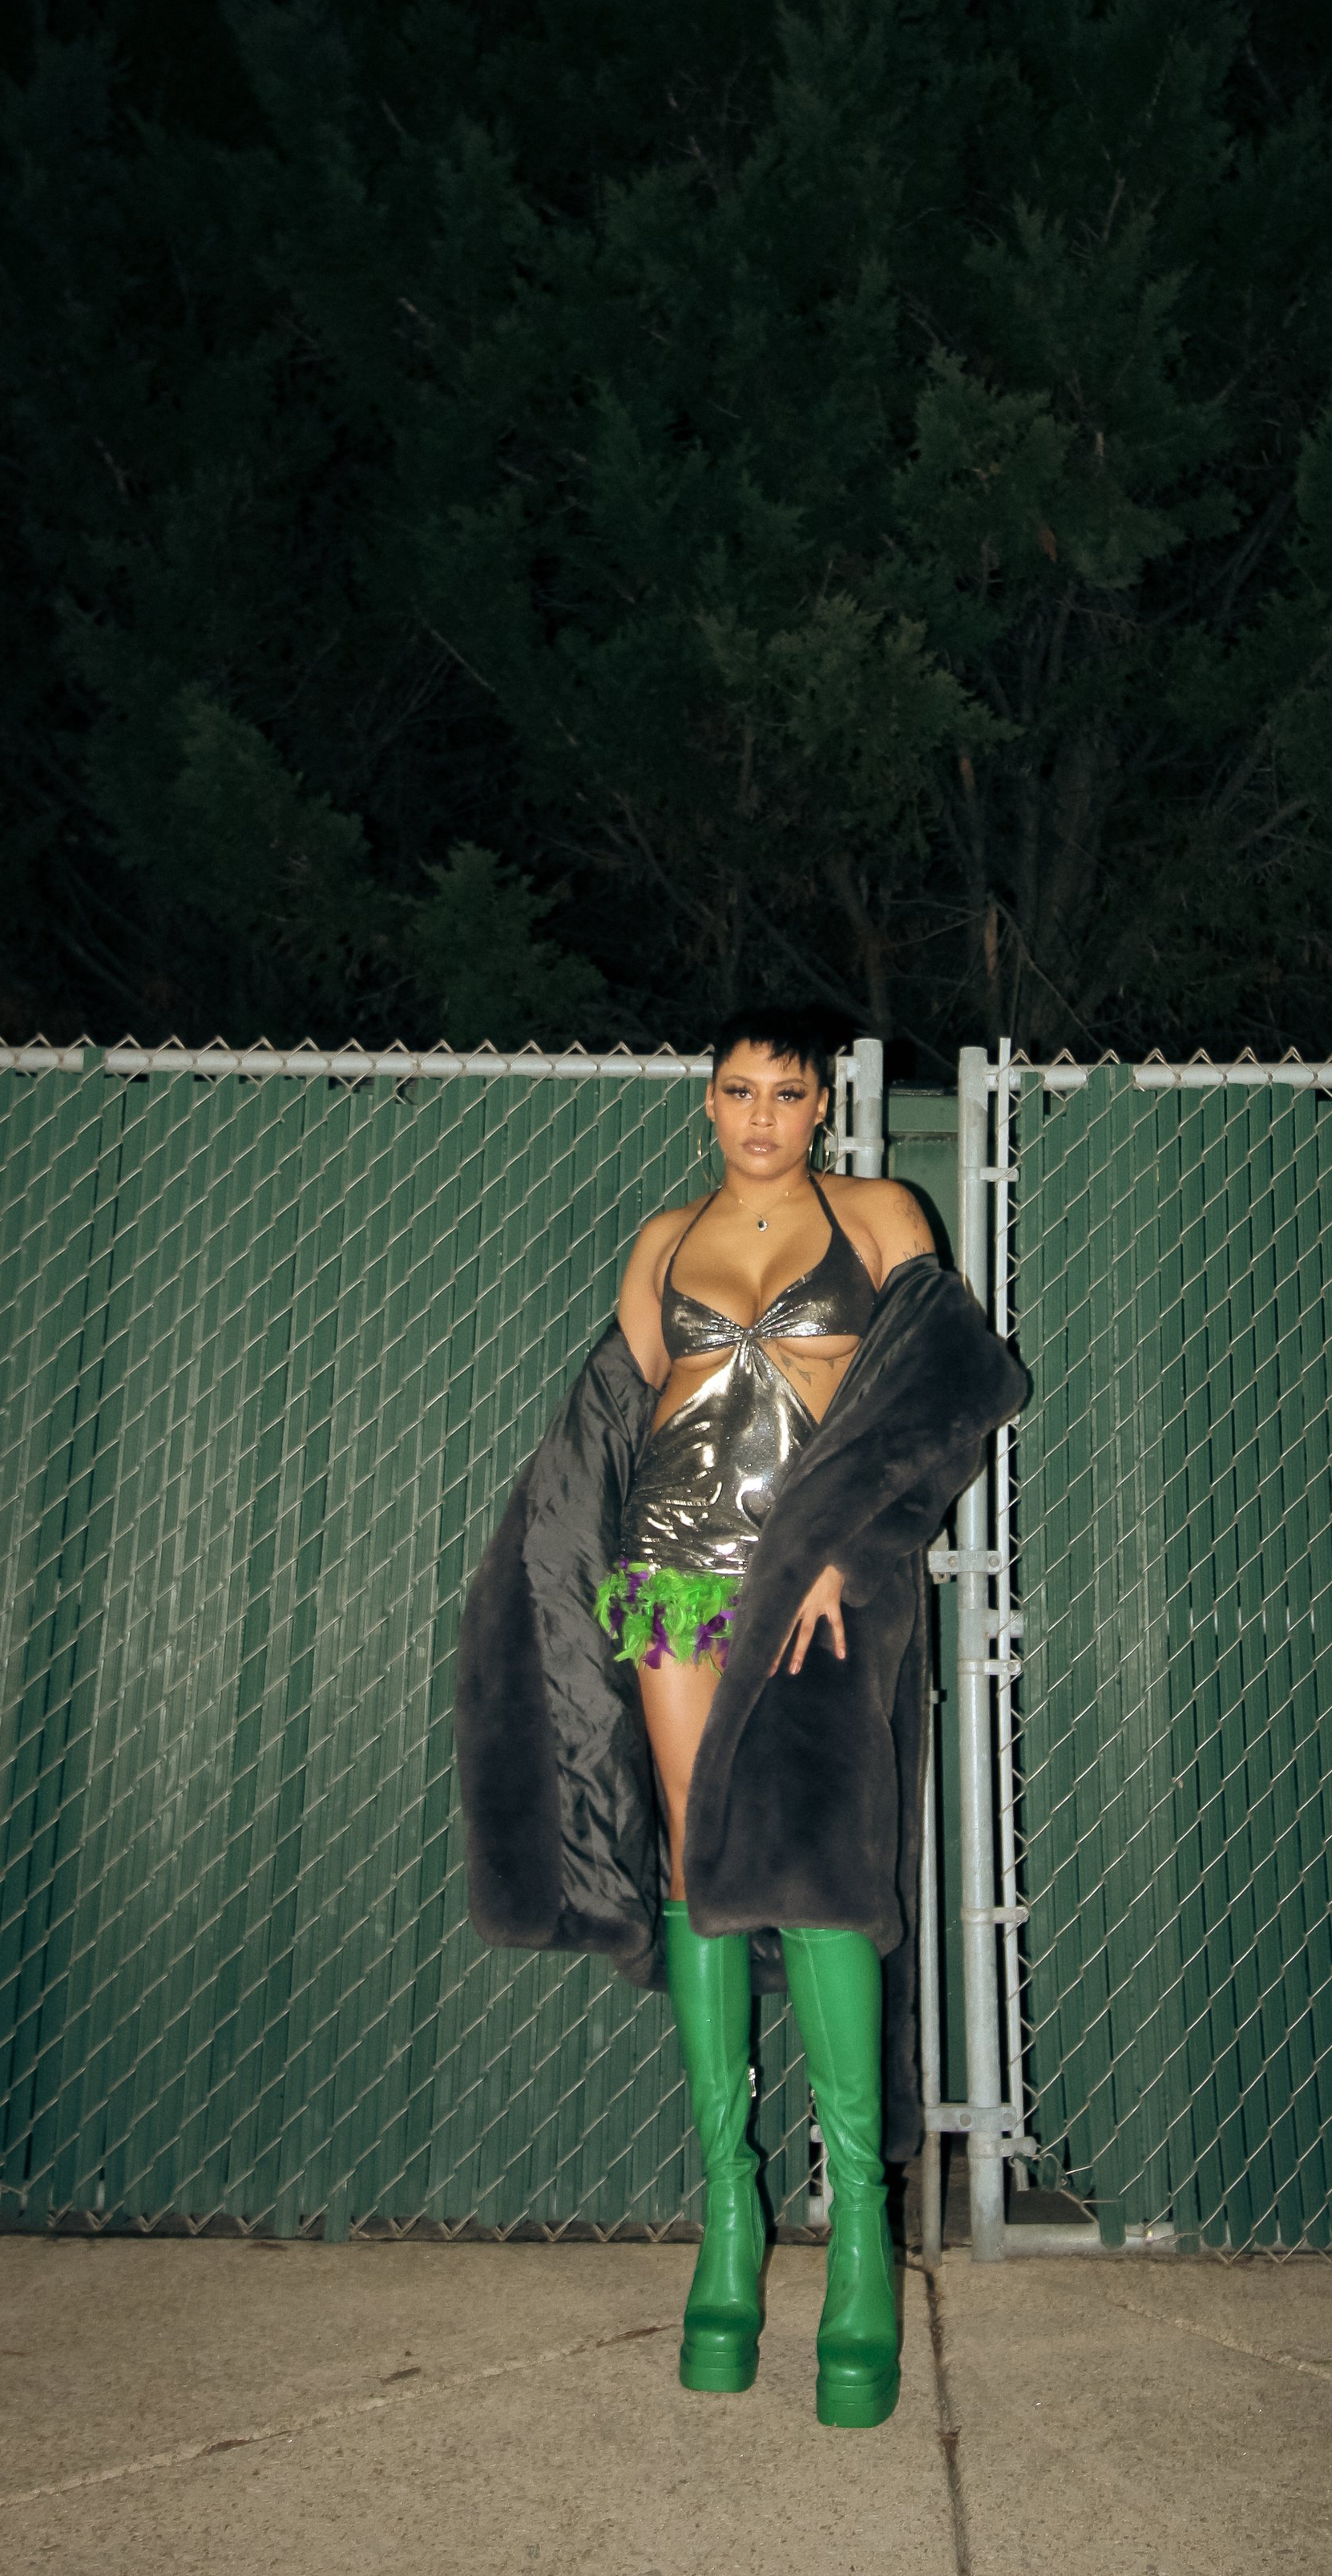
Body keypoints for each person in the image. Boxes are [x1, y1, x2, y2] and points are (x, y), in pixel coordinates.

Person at [458, 1005, 1027, 2428]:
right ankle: (729, 2213)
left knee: (828, 1879)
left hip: (819, 1585)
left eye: (786, 1089)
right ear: (705, 1102)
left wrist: (852, 1536)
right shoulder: (660, 1240)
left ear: (822, 1104)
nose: (761, 1112)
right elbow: (622, 1411)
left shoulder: (883, 1212)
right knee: (695, 1875)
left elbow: (936, 1393)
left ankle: (856, 2246)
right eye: (736, 1089)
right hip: (672, 1585)